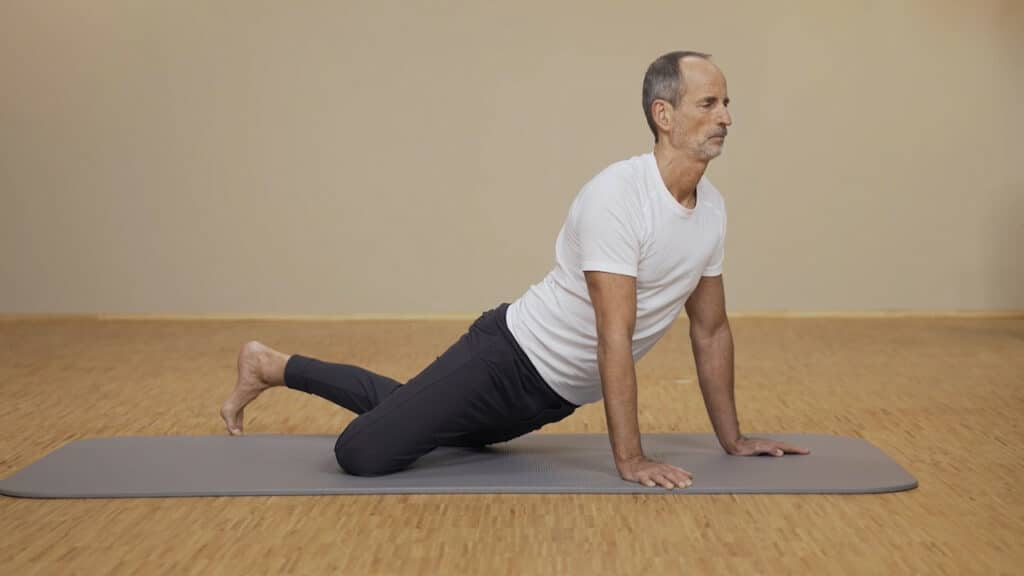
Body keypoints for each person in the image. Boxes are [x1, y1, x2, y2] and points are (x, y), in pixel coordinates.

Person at [220, 50, 809, 490]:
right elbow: (614, 336)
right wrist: (630, 461)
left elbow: (710, 330)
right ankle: (277, 367)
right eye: (709, 103)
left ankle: (268, 364)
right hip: (504, 360)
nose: (726, 116)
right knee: (363, 454)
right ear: (664, 114)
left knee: (419, 415)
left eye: (727, 103)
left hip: (552, 398)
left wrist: (732, 440)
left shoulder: (712, 210)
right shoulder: (618, 196)